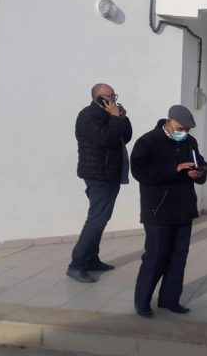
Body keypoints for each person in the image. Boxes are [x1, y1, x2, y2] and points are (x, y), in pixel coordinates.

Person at [131, 105, 207, 317]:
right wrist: (174, 169)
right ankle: (142, 301)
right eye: (181, 128)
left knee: (179, 256)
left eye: (188, 130)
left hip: (183, 208)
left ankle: (170, 299)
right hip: (158, 210)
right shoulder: (148, 141)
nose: (185, 133)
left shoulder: (190, 141)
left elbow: (200, 163)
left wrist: (199, 173)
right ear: (169, 122)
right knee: (156, 255)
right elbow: (140, 172)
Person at [67, 83, 132, 283]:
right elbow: (108, 139)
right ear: (97, 98)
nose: (113, 99)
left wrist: (122, 117)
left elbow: (125, 137)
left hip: (110, 173)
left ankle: (91, 259)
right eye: (109, 96)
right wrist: (114, 117)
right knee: (97, 219)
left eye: (114, 96)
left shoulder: (108, 115)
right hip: (99, 175)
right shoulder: (88, 115)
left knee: (101, 218)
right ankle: (77, 264)